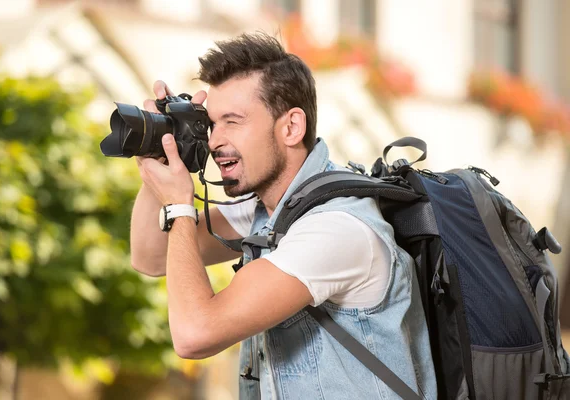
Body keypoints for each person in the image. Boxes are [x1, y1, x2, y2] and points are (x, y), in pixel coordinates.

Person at [130, 32, 436, 399]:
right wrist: (162, 153)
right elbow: (150, 256)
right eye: (212, 123)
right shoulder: (266, 207)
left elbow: (195, 334)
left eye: (233, 121)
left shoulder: (336, 228)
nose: (213, 141)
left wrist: (180, 205)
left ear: (291, 127)